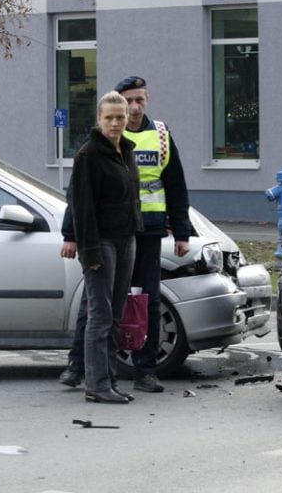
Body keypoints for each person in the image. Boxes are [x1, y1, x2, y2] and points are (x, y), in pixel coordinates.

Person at [59, 76, 191, 394]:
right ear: (111, 109)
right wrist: (70, 234)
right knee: (96, 304)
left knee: (146, 301)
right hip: (107, 234)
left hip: (146, 230)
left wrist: (182, 231)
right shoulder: (98, 147)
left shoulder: (158, 136)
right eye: (126, 102)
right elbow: (80, 197)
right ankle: (78, 367)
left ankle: (145, 369)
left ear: (147, 100)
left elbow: (175, 185)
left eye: (139, 100)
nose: (132, 108)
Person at [70, 90, 143, 404]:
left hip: (126, 239)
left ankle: (109, 380)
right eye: (109, 118)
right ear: (99, 119)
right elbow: (81, 208)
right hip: (100, 243)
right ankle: (97, 384)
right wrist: (90, 254)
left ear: (127, 119)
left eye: (120, 117)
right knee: (100, 317)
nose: (115, 123)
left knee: (115, 316)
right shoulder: (88, 155)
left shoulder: (126, 150)